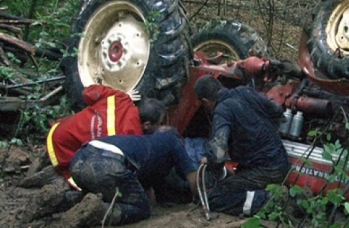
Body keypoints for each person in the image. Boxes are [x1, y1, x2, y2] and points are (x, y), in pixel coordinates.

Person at [193, 75, 291, 217]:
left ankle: (267, 200)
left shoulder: (222, 110)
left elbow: (217, 154)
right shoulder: (246, 91)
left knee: (214, 198)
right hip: (280, 161)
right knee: (235, 180)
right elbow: (277, 110)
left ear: (205, 102)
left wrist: (210, 161)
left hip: (265, 170)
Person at [64, 130, 198, 226]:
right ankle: (99, 212)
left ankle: (66, 201)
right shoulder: (173, 140)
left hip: (78, 159)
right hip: (107, 162)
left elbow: (142, 191)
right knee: (143, 210)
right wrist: (200, 201)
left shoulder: (144, 146)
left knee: (103, 195)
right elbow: (193, 178)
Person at [46, 84, 145, 189]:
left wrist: (123, 95)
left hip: (61, 128)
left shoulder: (120, 98)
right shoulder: (133, 138)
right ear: (147, 124)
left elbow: (87, 93)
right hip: (60, 151)